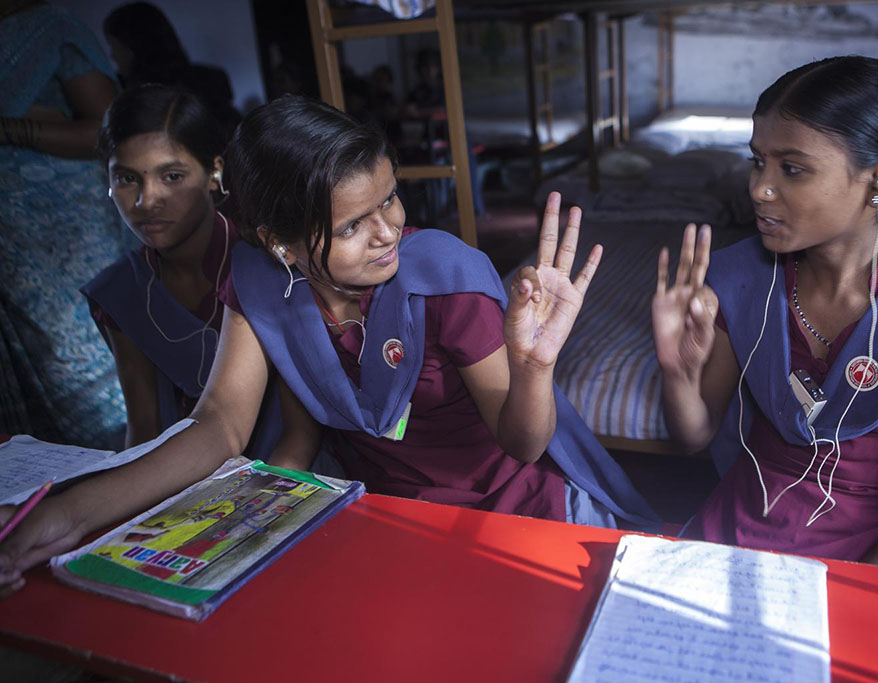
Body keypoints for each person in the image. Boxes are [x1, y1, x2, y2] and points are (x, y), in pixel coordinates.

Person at [0, 96, 658, 596]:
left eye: (391, 198)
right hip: (395, 519)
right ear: (283, 243)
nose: (387, 230)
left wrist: (536, 366)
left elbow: (523, 445)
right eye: (351, 224)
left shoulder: (442, 276)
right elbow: (221, 423)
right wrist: (70, 512)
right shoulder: (260, 281)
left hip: (519, 513)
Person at [652, 56, 878, 580]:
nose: (760, 188)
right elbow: (692, 436)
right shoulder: (741, 279)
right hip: (740, 537)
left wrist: (843, 594)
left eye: (793, 168)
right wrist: (678, 372)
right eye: (757, 161)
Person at [80, 84, 311, 461]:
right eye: (126, 178)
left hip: (294, 469)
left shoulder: (268, 258)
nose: (146, 201)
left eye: (171, 176)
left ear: (213, 172)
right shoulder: (121, 291)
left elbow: (302, 429)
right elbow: (143, 429)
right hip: (184, 477)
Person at [0, 0, 130, 447]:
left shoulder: (52, 29)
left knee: (78, 351)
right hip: (9, 244)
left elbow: (110, 128)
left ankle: (114, 465)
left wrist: (9, 130)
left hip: (65, 232)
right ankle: (46, 483)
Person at [103, 2, 240, 134]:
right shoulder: (211, 79)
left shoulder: (136, 100)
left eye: (115, 47)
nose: (113, 55)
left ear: (132, 48)